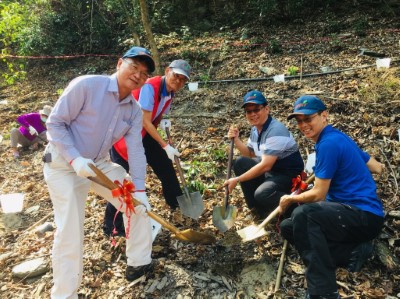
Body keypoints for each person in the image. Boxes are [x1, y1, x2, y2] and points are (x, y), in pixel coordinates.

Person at [43, 46, 156, 299]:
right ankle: (65, 294)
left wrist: (140, 189)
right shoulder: (87, 85)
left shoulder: (134, 110)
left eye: (144, 73)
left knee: (136, 205)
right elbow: (55, 123)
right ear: (119, 64)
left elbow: (136, 151)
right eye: (133, 67)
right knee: (70, 231)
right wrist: (74, 159)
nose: (138, 75)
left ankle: (138, 263)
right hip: (63, 163)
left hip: (97, 164)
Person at [278, 95, 385, 299]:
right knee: (289, 228)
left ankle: (323, 292)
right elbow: (374, 165)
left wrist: (290, 199)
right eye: (299, 121)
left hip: (363, 215)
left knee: (304, 215)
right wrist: (380, 169)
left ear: (324, 116)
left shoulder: (328, 144)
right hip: (350, 216)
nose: (303, 125)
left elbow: (319, 194)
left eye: (308, 119)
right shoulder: (338, 138)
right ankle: (352, 253)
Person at [104, 59, 191, 236]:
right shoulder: (149, 87)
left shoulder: (170, 92)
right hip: (125, 137)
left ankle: (177, 203)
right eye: (176, 76)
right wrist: (165, 144)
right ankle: (112, 227)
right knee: (123, 183)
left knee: (165, 166)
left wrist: (161, 130)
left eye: (183, 80)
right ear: (167, 71)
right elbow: (144, 120)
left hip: (144, 135)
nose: (179, 81)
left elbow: (153, 118)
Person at [223, 90, 304, 219]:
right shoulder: (256, 129)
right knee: (240, 163)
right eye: (249, 111)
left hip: (288, 174)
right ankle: (257, 210)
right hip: (272, 171)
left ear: (267, 109)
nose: (253, 114)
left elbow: (265, 165)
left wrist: (237, 180)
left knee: (263, 193)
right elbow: (251, 154)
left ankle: (297, 208)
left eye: (256, 110)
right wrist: (237, 140)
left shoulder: (276, 130)